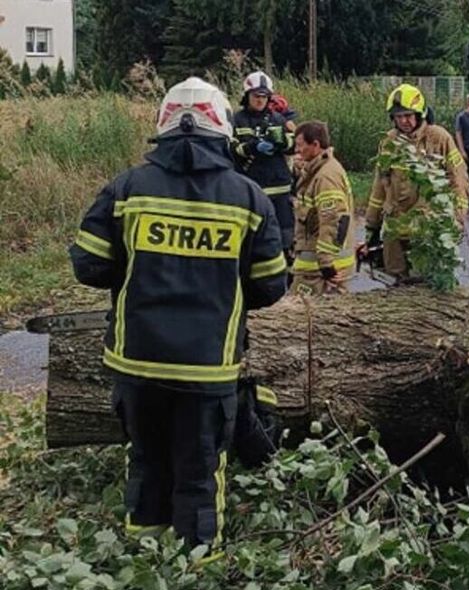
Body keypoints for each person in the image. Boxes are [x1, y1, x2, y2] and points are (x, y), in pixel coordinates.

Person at [69, 77, 288, 559]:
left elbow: (89, 265)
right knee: (199, 471)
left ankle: (142, 566)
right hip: (207, 368)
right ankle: (195, 576)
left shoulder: (126, 189)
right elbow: (272, 284)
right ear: (223, 127)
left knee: (146, 463)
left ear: (163, 125)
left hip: (137, 364)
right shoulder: (248, 198)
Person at [363, 84, 468, 282]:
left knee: (425, 287)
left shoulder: (439, 138)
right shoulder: (389, 143)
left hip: (428, 232)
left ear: (420, 114)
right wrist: (372, 227)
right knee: (396, 288)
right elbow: (379, 187)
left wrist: (457, 219)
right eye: (398, 116)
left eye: (408, 115)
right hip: (396, 231)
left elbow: (458, 181)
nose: (403, 121)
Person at [232, 71, 295, 264]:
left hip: (280, 187)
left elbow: (294, 146)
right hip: (252, 187)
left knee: (285, 232)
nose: (260, 100)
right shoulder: (237, 120)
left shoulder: (278, 119)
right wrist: (254, 147)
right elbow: (233, 149)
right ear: (247, 96)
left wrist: (282, 143)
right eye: (256, 96)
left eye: (264, 96)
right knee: (254, 233)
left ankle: (286, 264)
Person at [291, 120, 356, 295]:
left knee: (299, 315)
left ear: (316, 145)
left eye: (300, 145)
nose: (296, 150)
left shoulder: (326, 177)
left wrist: (327, 265)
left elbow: (333, 221)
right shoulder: (317, 170)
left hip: (321, 269)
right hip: (316, 265)